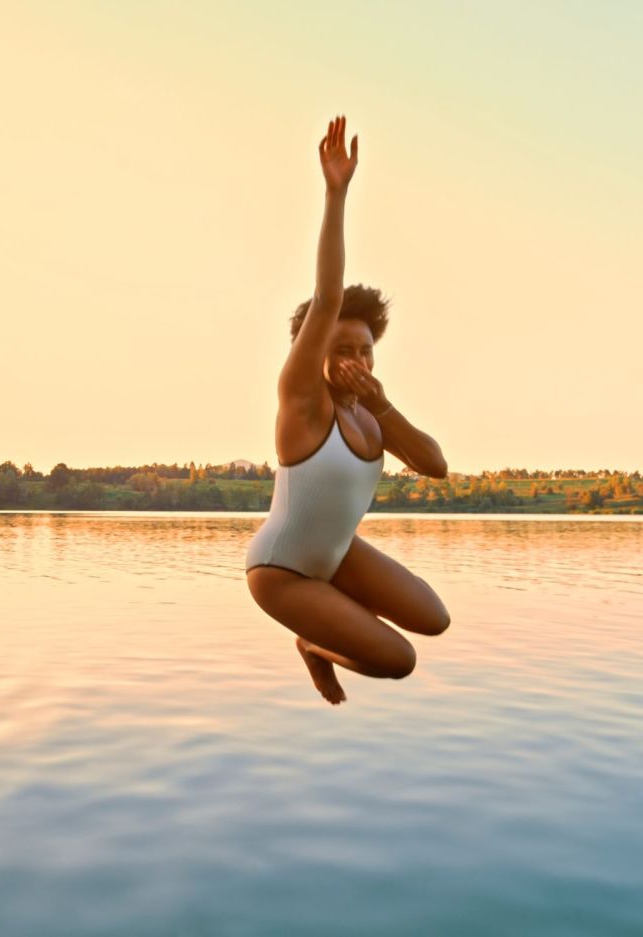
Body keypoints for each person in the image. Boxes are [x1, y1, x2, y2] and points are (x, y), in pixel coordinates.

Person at [245, 115, 451, 706]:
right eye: (341, 349)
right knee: (397, 659)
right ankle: (315, 645)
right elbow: (330, 294)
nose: (356, 359)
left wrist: (385, 408)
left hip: (335, 556)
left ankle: (327, 617)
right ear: (314, 352)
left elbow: (435, 465)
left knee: (433, 619)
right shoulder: (303, 402)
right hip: (281, 572)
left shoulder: (370, 415)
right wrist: (336, 194)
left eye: (365, 349)